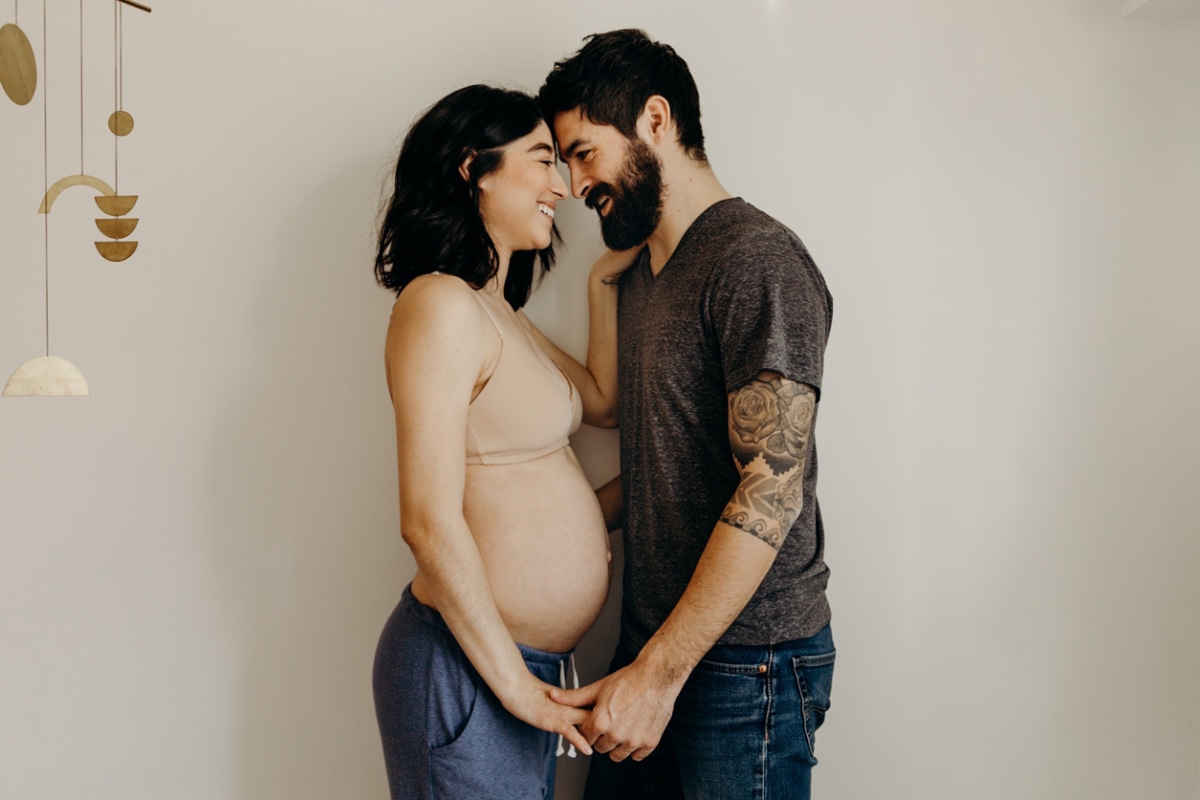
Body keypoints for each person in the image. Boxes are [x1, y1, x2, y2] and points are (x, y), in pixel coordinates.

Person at [538, 30, 837, 800]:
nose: (575, 186)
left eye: (582, 152)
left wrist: (659, 675)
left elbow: (770, 492)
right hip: (653, 643)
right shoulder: (637, 276)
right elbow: (643, 455)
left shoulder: (755, 259)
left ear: (656, 120)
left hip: (747, 663)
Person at [370, 84, 632, 800]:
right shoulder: (438, 304)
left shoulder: (498, 313)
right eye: (542, 161)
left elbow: (602, 404)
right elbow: (426, 520)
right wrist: (513, 686)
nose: (561, 187)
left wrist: (605, 281)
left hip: (520, 667)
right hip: (469, 668)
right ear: (471, 168)